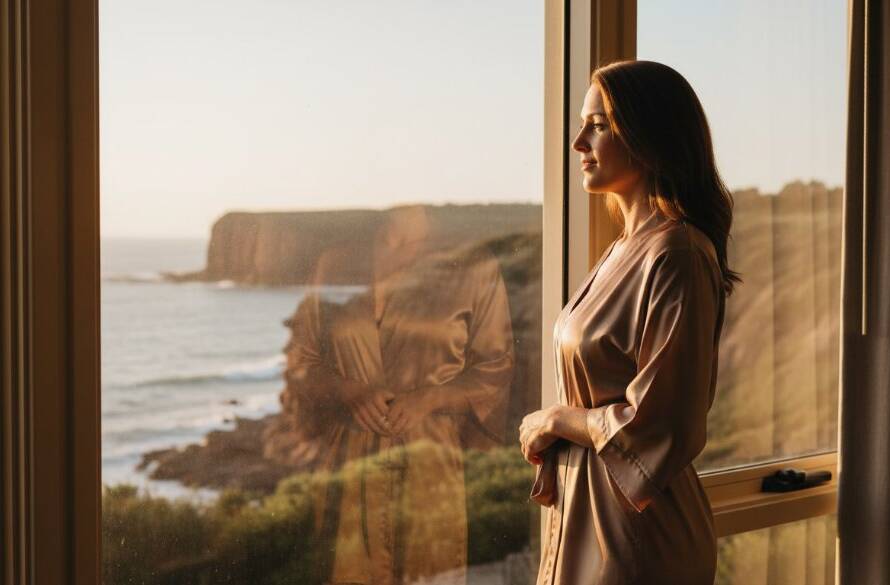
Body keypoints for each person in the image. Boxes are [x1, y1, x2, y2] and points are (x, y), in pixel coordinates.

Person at [519, 60, 739, 584]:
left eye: (598, 126)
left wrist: (558, 420)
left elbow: (664, 423)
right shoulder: (625, 248)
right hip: (592, 516)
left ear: (649, 136)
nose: (579, 143)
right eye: (582, 125)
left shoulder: (677, 253)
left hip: (639, 536)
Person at [281, 205, 515, 585]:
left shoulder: (472, 264)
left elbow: (496, 367)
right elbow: (300, 360)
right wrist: (347, 390)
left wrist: (430, 399)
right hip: (348, 471)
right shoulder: (337, 262)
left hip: (430, 466)